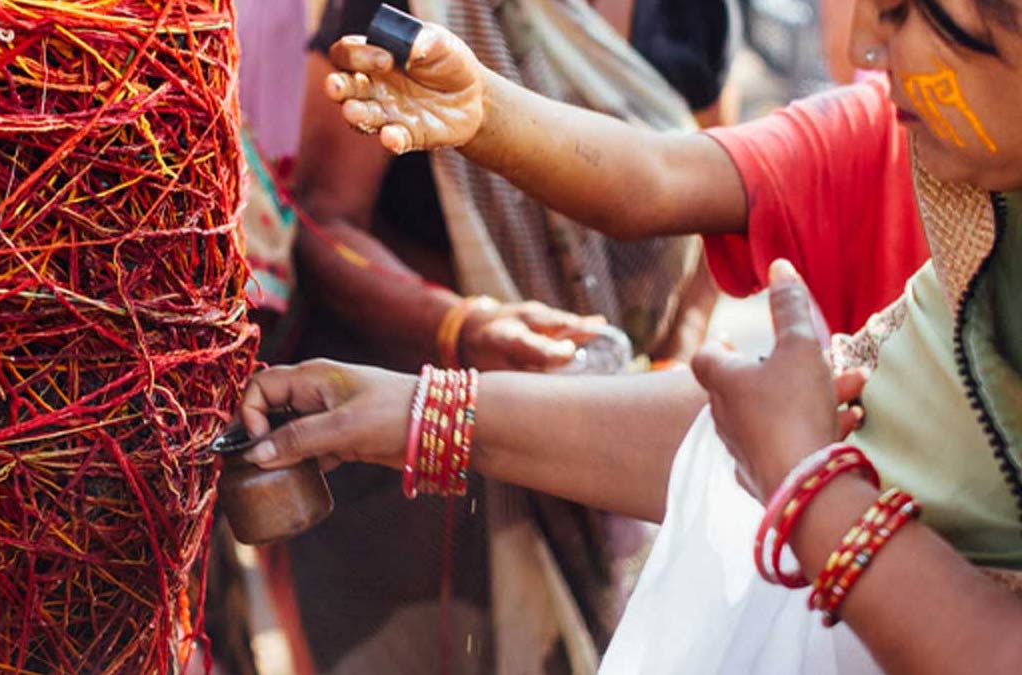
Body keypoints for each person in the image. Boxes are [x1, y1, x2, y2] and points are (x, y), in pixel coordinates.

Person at [235, 0, 1022, 671]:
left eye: (912, 13)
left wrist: (809, 482)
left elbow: (787, 439)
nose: (862, 53)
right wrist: (414, 404)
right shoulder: (985, 224)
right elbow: (753, 424)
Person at [279, 1, 735, 672]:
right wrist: (457, 326)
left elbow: (725, 192)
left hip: (623, 439)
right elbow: (323, 220)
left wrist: (675, 356)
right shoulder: (412, 13)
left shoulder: (692, 14)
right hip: (421, 475)